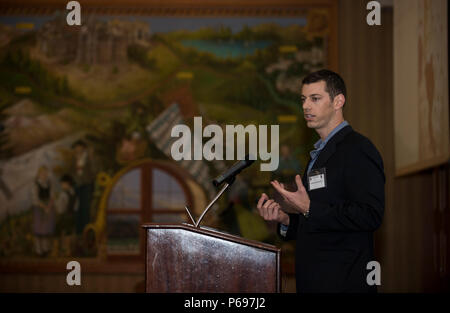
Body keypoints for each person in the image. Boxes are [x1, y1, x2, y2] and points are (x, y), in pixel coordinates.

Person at [256, 69, 385, 293]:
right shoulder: (318, 155)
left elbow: (370, 214)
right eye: (303, 99)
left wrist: (308, 207)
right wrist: (286, 219)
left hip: (343, 282)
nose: (306, 106)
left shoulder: (357, 149)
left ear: (338, 101)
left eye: (315, 99)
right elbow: (317, 221)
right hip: (315, 280)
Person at [31, 165, 55, 257]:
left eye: (46, 173)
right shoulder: (36, 184)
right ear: (39, 174)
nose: (44, 175)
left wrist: (49, 206)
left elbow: (52, 196)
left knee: (46, 229)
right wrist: (44, 207)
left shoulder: (49, 183)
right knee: (39, 229)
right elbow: (35, 199)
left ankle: (46, 249)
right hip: (39, 208)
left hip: (48, 208)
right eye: (42, 173)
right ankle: (39, 250)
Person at [55, 174, 78, 256]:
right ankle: (69, 250)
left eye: (62, 184)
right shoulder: (73, 193)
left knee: (58, 231)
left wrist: (59, 211)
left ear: (67, 184)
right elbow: (76, 206)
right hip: (72, 215)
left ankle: (60, 250)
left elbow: (60, 208)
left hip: (64, 215)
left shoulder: (63, 194)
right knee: (70, 232)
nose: (62, 186)